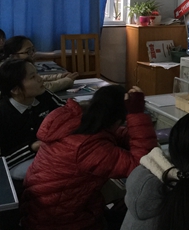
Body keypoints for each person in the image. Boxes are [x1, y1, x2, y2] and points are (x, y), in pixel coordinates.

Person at [20, 84, 158, 230]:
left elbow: (110, 134)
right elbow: (141, 166)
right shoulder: (89, 148)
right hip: (61, 221)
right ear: (117, 120)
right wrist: (137, 115)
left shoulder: (75, 120)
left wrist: (134, 129)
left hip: (43, 210)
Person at [0, 58, 65, 178]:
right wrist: (32, 147)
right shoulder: (4, 113)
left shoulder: (43, 95)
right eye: (32, 77)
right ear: (15, 90)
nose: (40, 78)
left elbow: (67, 112)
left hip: (51, 151)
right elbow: (3, 161)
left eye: (37, 73)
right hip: (20, 162)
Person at [1, 35, 78, 92]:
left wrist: (59, 76)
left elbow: (36, 78)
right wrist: (67, 81)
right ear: (13, 55)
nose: (33, 54)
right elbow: (40, 86)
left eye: (33, 50)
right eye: (28, 51)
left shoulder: (15, 65)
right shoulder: (9, 70)